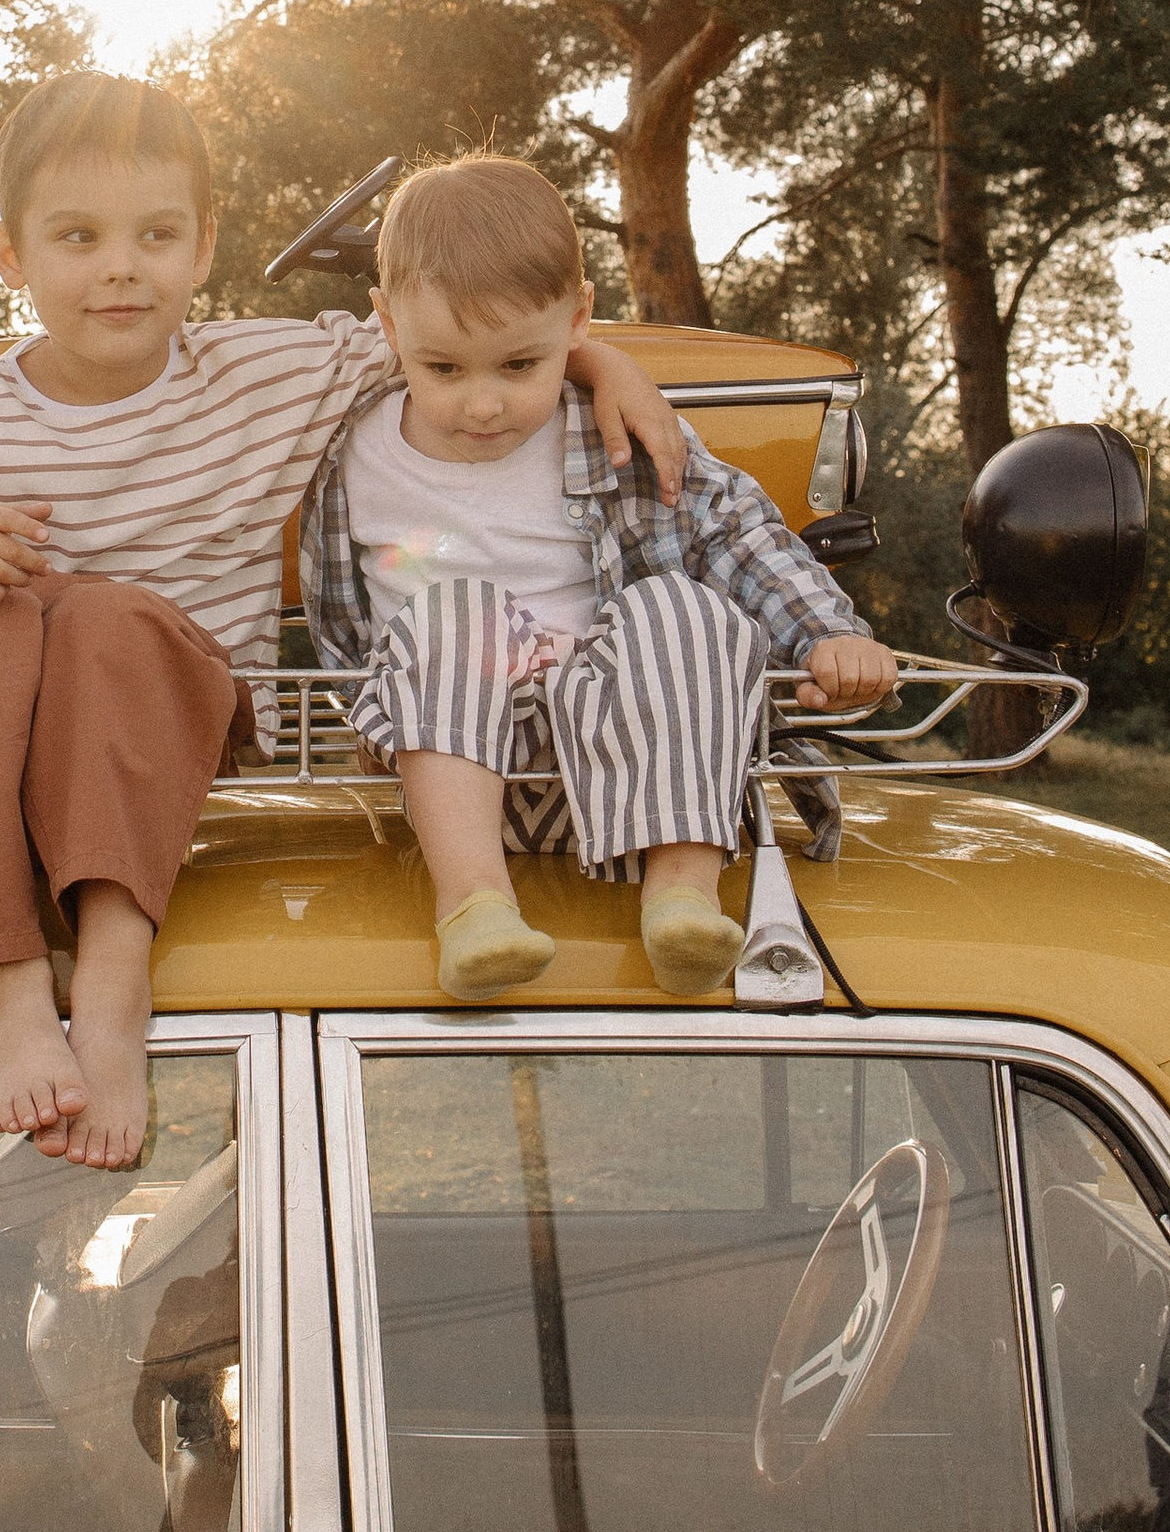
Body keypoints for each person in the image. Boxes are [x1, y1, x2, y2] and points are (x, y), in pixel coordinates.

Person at [0, 74, 689, 1168]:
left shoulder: (267, 371)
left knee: (105, 621)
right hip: (3, 751)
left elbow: (462, 328)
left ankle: (110, 984)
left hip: (177, 724)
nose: (119, 266)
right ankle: (8, 991)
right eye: (77, 236)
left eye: (155, 234)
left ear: (202, 247)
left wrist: (597, 357)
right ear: (8, 255)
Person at [299, 154, 897, 1003]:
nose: (482, 405)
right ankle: (473, 908)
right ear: (388, 327)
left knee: (684, 604)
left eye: (518, 366)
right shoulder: (351, 447)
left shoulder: (613, 434)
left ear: (580, 318)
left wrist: (829, 633)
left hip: (632, 773)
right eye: (444, 369)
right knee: (450, 611)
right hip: (459, 780)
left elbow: (736, 529)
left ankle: (682, 895)